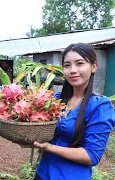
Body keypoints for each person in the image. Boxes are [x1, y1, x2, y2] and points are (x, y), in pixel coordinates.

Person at [33, 43, 115, 180]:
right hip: (42, 174)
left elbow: (92, 156)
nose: (72, 70)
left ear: (94, 66)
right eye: (67, 65)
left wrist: (49, 147)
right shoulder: (56, 100)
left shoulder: (100, 106)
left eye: (79, 63)